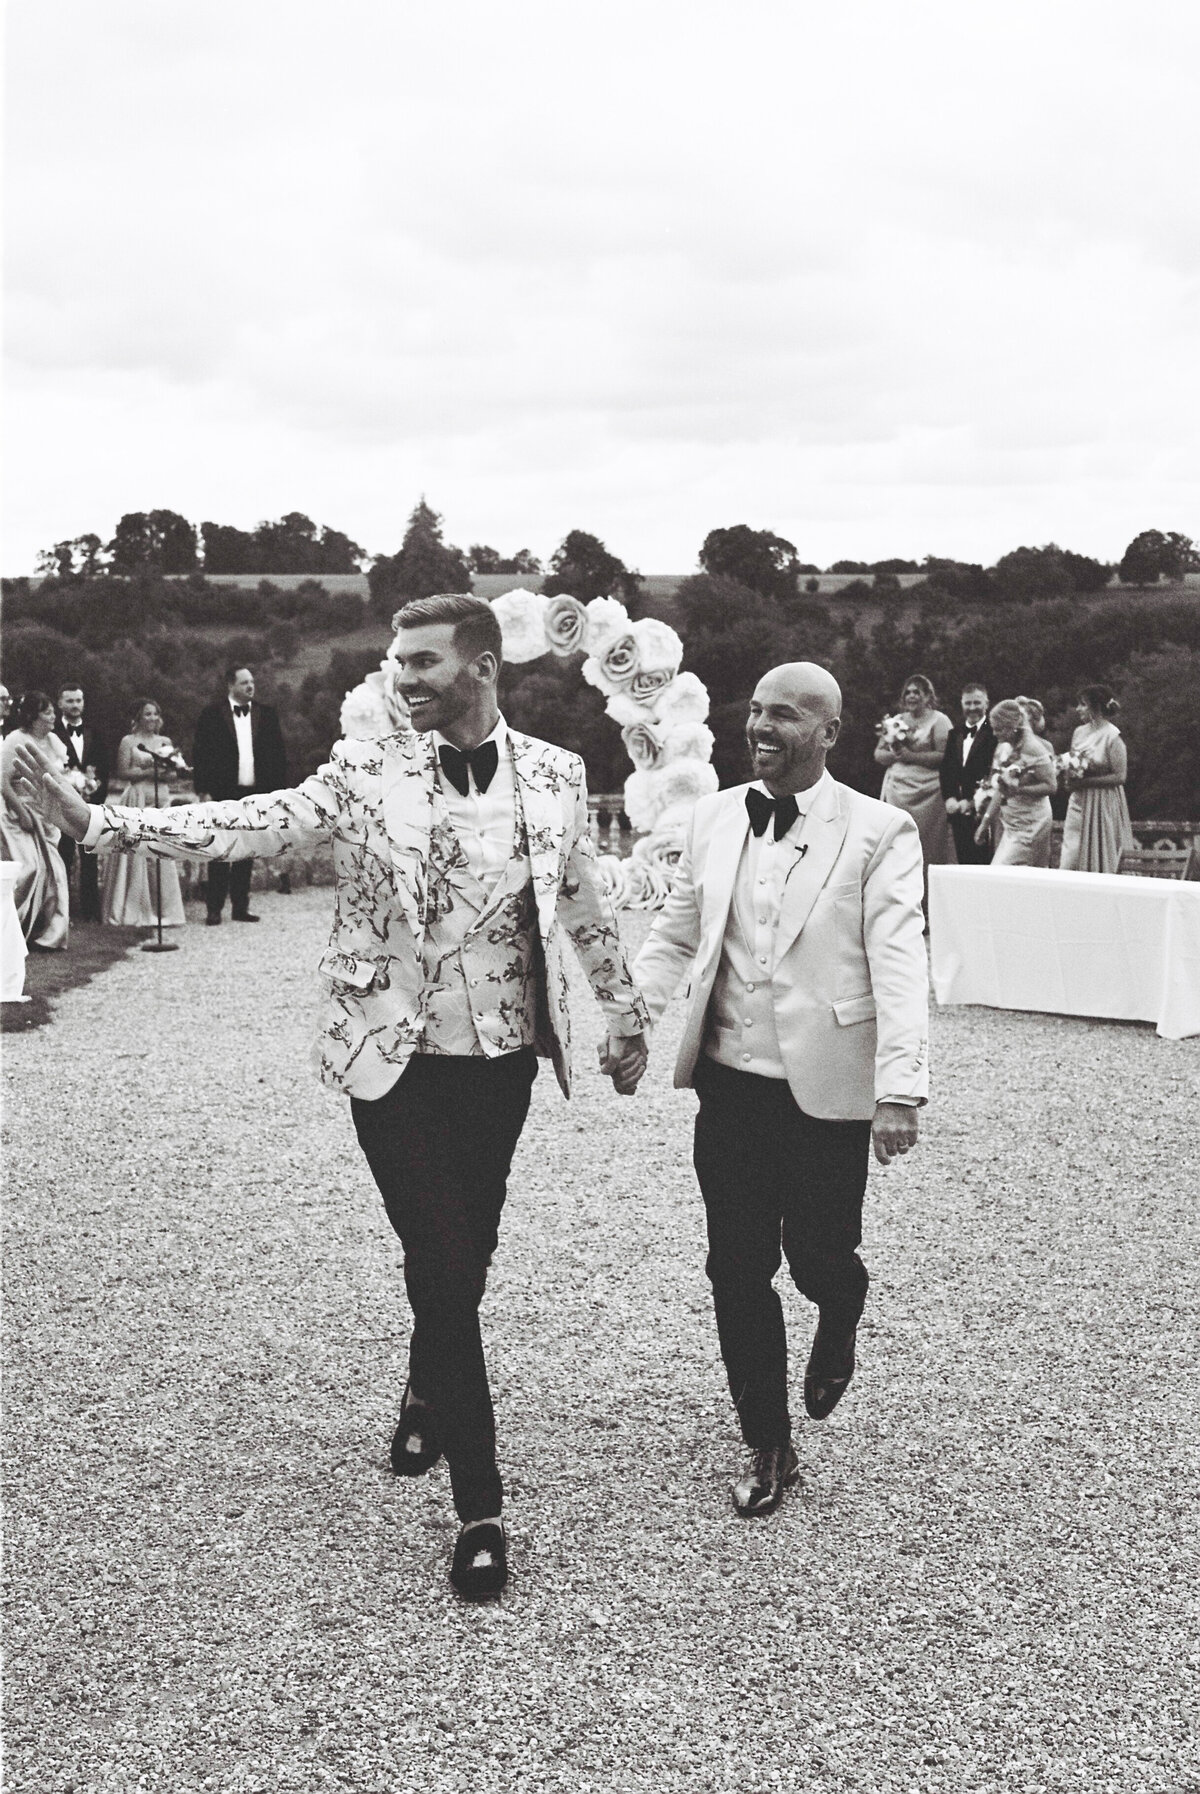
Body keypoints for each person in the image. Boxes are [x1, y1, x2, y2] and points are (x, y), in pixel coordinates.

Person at [16, 593, 649, 1599]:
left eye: (423, 663)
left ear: (483, 667)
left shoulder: (559, 775)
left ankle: (422, 1382)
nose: (402, 678)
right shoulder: (365, 773)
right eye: (397, 662)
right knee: (443, 1257)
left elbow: (579, 899)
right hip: (385, 1056)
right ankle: (481, 1508)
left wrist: (623, 1008)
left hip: (500, 1058)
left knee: (462, 1254)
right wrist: (105, 824)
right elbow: (250, 824)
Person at [611, 662, 928, 1519]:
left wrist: (900, 1088)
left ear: (828, 732)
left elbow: (901, 963)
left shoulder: (880, 831)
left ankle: (843, 1303)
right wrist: (631, 1020)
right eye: (754, 711)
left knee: (820, 1255)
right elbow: (676, 932)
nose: (762, 727)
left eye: (784, 716)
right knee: (735, 1266)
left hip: (824, 1089)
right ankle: (768, 1438)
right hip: (730, 1087)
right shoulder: (715, 815)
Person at [192, 667, 288, 925]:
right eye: (244, 683)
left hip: (256, 792)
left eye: (252, 682)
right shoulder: (212, 714)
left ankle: (240, 907)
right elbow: (200, 752)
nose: (250, 687)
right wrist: (202, 788)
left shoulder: (266, 714)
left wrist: (278, 792)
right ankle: (214, 908)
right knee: (221, 850)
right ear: (230, 685)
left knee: (247, 850)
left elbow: (278, 754)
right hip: (223, 791)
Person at [99, 701, 189, 928]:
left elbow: (172, 776)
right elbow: (123, 772)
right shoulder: (128, 742)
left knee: (161, 851)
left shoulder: (165, 742)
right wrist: (151, 769)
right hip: (137, 799)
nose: (152, 718)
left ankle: (165, 910)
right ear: (138, 717)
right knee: (137, 852)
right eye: (147, 714)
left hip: (160, 799)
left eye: (156, 713)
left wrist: (168, 769)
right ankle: (136, 907)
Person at [0, 691, 71, 949]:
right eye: (48, 711)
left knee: (56, 873)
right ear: (33, 715)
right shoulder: (15, 740)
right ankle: (8, 930)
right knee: (29, 869)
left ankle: (50, 935)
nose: (54, 716)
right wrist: (22, 812)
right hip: (18, 814)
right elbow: (3, 782)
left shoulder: (53, 741)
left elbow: (61, 775)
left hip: (47, 816)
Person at [874, 673, 956, 875]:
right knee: (895, 842)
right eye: (908, 692)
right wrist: (896, 755)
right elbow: (878, 754)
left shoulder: (940, 720)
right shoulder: (897, 721)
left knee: (925, 842)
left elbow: (945, 756)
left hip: (929, 793)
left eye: (917, 692)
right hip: (897, 790)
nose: (911, 696)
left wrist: (911, 756)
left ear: (928, 696)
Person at [1058, 685, 1135, 874]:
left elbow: (1120, 775)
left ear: (1096, 707)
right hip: (1078, 801)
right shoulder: (1078, 732)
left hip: (1102, 803)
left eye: (1083, 705)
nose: (1078, 709)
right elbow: (1074, 761)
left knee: (1100, 854)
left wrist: (1086, 782)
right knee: (1071, 856)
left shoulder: (1112, 736)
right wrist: (1068, 774)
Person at [975, 698, 1058, 866]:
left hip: (1032, 822)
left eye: (998, 729)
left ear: (1012, 726)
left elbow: (1051, 786)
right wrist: (985, 822)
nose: (994, 734)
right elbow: (1000, 789)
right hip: (1011, 823)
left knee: (1001, 871)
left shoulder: (1033, 748)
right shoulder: (1003, 748)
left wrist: (1019, 790)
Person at [54, 681, 109, 921]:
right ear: (60, 703)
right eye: (70, 701)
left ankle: (90, 910)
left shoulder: (95, 731)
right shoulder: (52, 733)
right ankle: (63, 909)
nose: (75, 705)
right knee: (63, 854)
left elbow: (105, 768)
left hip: (91, 805)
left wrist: (95, 795)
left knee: (90, 855)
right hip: (63, 804)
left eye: (78, 700)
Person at [938, 681, 996, 865]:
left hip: (984, 810)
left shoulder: (995, 733)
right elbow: (946, 769)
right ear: (962, 704)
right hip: (957, 811)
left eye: (977, 703)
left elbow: (993, 772)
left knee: (985, 863)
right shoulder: (954, 733)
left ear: (986, 703)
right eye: (968, 703)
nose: (972, 708)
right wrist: (949, 798)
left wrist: (972, 802)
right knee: (964, 862)